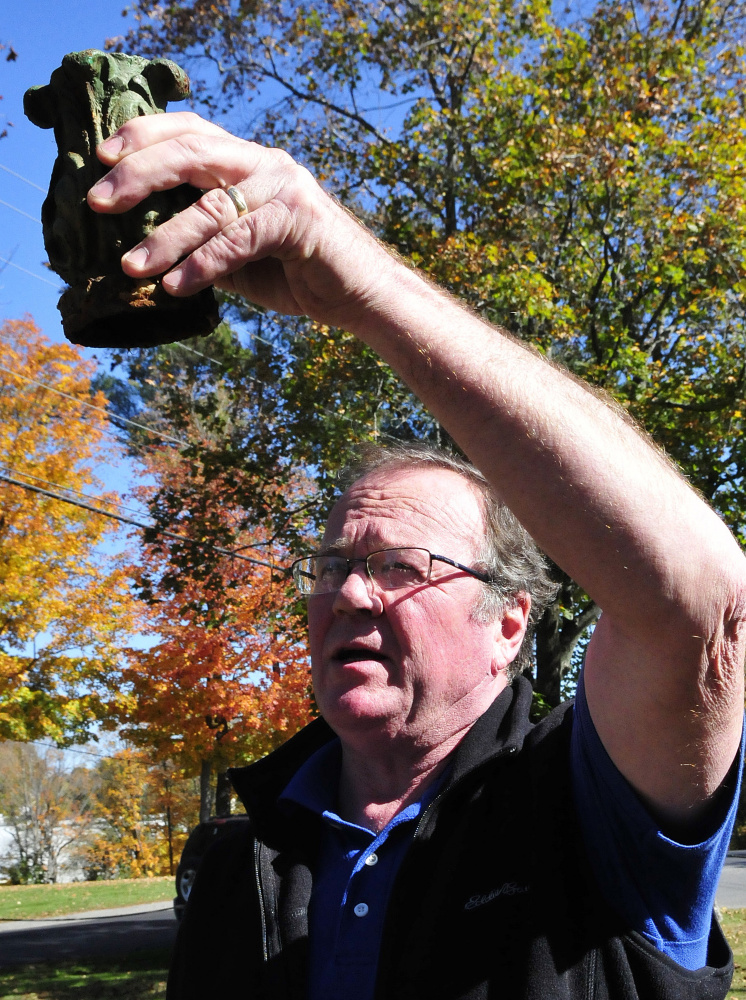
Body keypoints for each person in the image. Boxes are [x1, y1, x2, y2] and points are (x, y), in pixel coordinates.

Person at [88, 113, 746, 1000]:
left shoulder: (589, 809)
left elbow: (703, 609)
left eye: (400, 566)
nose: (350, 594)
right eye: (330, 567)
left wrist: (357, 282)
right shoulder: (244, 866)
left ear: (509, 621)